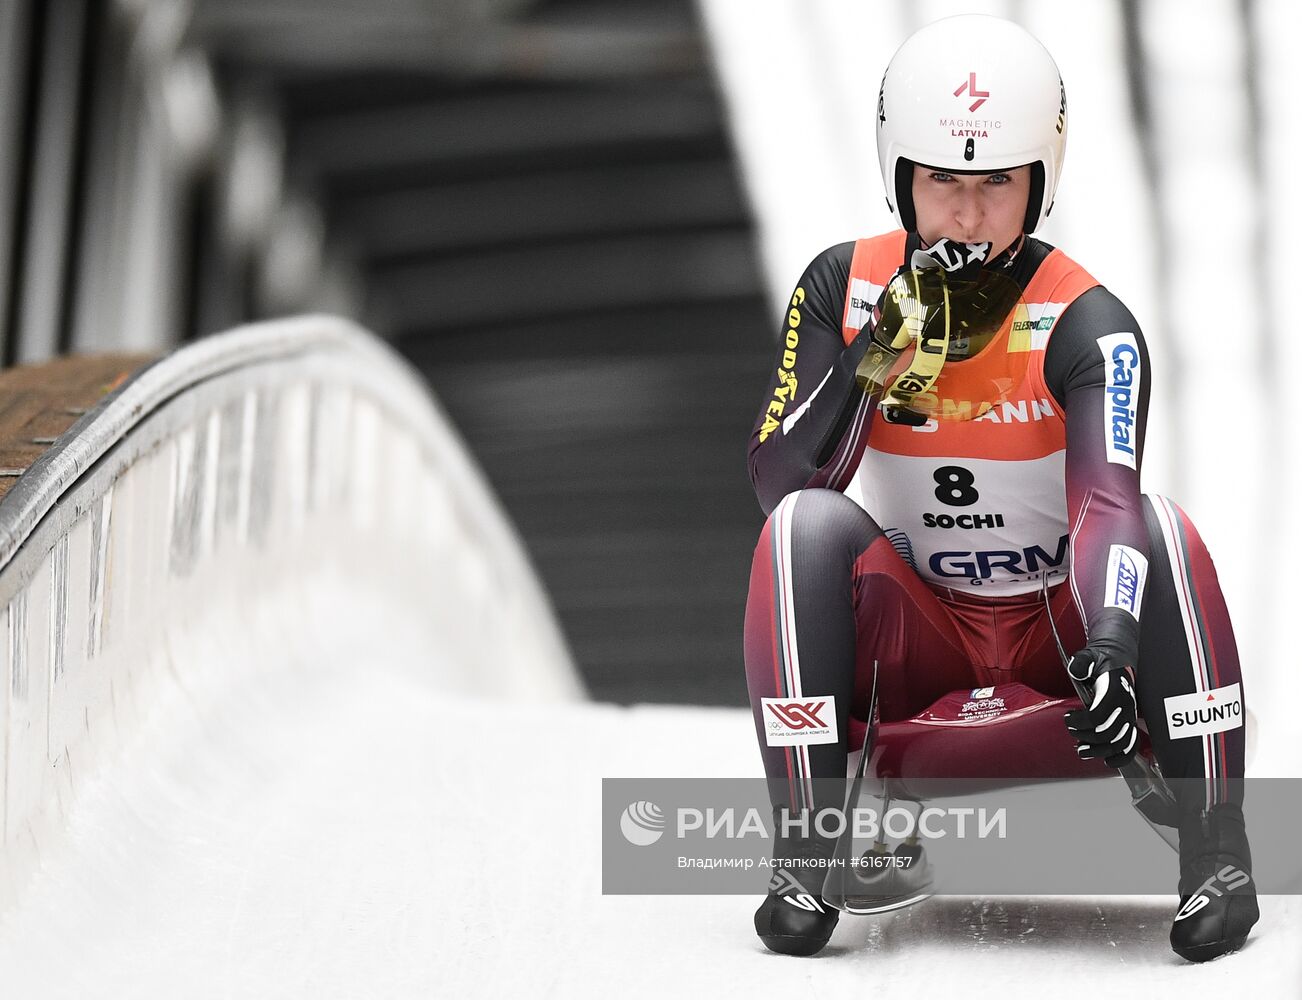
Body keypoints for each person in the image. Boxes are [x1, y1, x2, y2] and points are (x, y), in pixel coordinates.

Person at [743, 14, 1257, 962]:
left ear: (1039, 184)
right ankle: (807, 853)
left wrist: (1108, 640)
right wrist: (879, 355)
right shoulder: (838, 287)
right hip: (920, 641)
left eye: (996, 187)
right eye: (943, 182)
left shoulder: (1090, 323)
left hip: (1058, 643)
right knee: (803, 534)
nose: (968, 219)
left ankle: (1217, 856)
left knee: (1164, 527)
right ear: (901, 175)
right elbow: (783, 484)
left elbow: (1110, 502)